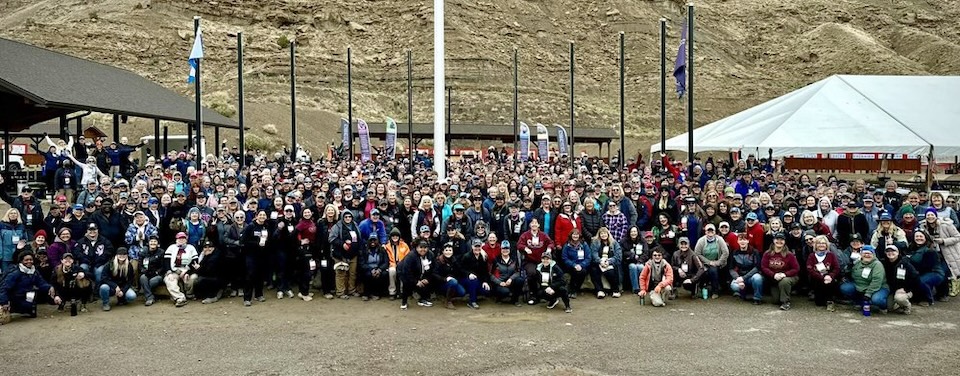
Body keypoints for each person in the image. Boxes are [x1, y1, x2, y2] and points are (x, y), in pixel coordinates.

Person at [0, 252, 62, 320]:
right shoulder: (15, 273)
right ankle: (11, 308)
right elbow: (4, 288)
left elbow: (41, 283)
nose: (29, 261)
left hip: (26, 295)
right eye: (26, 260)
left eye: (31, 259)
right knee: (24, 307)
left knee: (32, 309)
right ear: (21, 261)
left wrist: (50, 287)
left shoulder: (34, 271)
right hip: (14, 297)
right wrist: (4, 302)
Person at [840, 245, 889, 313]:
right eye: (864, 253)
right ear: (861, 254)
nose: (867, 255)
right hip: (861, 286)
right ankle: (859, 302)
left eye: (869, 253)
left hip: (878, 287)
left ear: (873, 254)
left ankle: (883, 307)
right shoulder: (857, 263)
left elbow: (876, 281)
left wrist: (868, 294)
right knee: (845, 288)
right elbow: (853, 276)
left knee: (877, 299)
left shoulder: (877, 264)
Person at [761, 232, 800, 310]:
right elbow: (763, 267)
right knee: (775, 301)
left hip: (788, 277)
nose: (779, 241)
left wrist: (784, 274)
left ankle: (786, 302)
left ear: (784, 241)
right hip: (774, 279)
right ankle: (783, 294)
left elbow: (796, 268)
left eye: (781, 240)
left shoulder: (789, 254)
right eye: (777, 239)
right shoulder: (767, 253)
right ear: (773, 240)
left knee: (784, 281)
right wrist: (773, 275)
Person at [904, 231, 944, 306]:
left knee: (922, 281)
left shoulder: (930, 251)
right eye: (917, 236)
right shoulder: (911, 249)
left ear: (926, 238)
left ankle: (928, 299)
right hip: (919, 272)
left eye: (921, 236)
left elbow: (928, 266)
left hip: (934, 273)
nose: (919, 238)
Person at [329, 210, 361, 299]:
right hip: (340, 254)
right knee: (341, 273)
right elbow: (331, 238)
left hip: (353, 254)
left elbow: (359, 238)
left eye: (349, 217)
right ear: (342, 217)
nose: (348, 218)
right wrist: (342, 243)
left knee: (352, 273)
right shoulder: (337, 226)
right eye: (346, 217)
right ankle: (340, 292)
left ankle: (351, 290)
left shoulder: (355, 225)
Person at [805, 235, 841, 311]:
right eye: (819, 243)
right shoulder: (812, 256)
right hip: (817, 280)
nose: (821, 245)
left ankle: (830, 301)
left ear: (826, 245)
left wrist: (830, 276)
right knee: (819, 303)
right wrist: (822, 277)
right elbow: (810, 269)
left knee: (829, 283)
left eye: (823, 243)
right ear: (815, 245)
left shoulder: (831, 255)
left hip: (829, 279)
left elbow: (836, 268)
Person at [694, 223, 729, 298]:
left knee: (713, 270)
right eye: (708, 231)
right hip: (704, 263)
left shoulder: (720, 239)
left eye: (712, 230)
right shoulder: (701, 240)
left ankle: (715, 291)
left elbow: (725, 252)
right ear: (705, 232)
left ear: (715, 232)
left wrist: (717, 263)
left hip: (718, 262)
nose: (710, 232)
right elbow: (697, 253)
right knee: (703, 271)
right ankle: (700, 289)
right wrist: (708, 262)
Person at [163, 232, 197, 307]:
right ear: (176, 240)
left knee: (193, 278)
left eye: (183, 238)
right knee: (169, 280)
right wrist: (169, 273)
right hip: (174, 270)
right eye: (179, 238)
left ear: (186, 239)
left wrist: (187, 272)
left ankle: (189, 294)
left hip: (187, 270)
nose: (181, 240)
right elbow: (166, 261)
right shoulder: (171, 247)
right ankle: (180, 298)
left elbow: (195, 261)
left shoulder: (191, 248)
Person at [397, 239, 433, 310]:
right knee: (406, 283)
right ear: (416, 248)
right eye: (421, 247)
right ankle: (404, 302)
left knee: (428, 281)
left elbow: (433, 268)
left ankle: (423, 299)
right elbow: (406, 271)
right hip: (404, 273)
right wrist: (416, 281)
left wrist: (427, 278)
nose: (423, 249)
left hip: (420, 273)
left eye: (425, 247)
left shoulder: (430, 255)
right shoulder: (411, 256)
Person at [882, 244, 917, 314]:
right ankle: (898, 304)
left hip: (905, 289)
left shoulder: (905, 263)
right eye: (888, 251)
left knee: (900, 298)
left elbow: (915, 277)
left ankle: (906, 306)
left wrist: (905, 289)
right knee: (889, 307)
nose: (890, 253)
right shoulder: (883, 263)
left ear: (898, 252)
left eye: (893, 251)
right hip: (892, 289)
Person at [729, 233, 763, 304]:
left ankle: (757, 298)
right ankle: (743, 293)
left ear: (748, 241)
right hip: (740, 276)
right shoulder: (735, 252)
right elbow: (731, 268)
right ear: (737, 241)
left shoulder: (754, 251)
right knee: (734, 285)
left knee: (758, 278)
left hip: (752, 276)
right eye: (740, 240)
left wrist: (744, 278)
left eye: (744, 239)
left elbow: (757, 267)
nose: (742, 242)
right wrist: (737, 278)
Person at [590, 227, 622, 298]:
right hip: (599, 262)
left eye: (605, 233)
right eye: (601, 233)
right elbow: (594, 254)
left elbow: (618, 256)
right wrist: (600, 261)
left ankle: (615, 290)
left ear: (608, 234)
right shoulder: (595, 242)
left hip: (610, 262)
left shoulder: (614, 242)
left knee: (611, 272)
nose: (603, 235)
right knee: (594, 270)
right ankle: (599, 290)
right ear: (599, 234)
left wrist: (609, 262)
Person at [431, 242, 465, 309]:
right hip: (441, 283)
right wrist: (444, 279)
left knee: (462, 292)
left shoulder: (454, 260)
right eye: (446, 250)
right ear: (443, 251)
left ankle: (448, 296)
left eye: (450, 250)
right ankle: (448, 301)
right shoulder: (438, 260)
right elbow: (434, 274)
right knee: (453, 282)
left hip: (452, 282)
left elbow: (460, 270)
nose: (448, 252)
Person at [460, 239, 491, 309]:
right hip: (466, 279)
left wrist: (485, 281)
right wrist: (468, 274)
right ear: (472, 247)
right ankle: (472, 301)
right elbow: (461, 269)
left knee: (486, 290)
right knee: (473, 281)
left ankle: (473, 294)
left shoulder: (483, 257)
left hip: (478, 280)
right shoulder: (466, 256)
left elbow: (485, 271)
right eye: (475, 246)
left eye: (479, 246)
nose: (477, 248)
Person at [490, 240, 523, 306]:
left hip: (510, 282)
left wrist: (511, 279)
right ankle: (499, 298)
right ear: (501, 249)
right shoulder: (496, 260)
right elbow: (491, 275)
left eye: (507, 248)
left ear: (509, 249)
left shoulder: (514, 259)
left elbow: (518, 272)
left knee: (520, 280)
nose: (505, 250)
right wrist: (499, 282)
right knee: (505, 292)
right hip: (500, 283)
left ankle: (515, 300)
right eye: (503, 248)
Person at [190, 239, 224, 304]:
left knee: (200, 280)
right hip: (210, 276)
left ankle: (213, 296)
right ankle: (203, 295)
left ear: (213, 248)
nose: (207, 249)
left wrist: (199, 268)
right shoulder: (206, 255)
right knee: (197, 278)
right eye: (205, 247)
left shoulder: (215, 256)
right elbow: (202, 266)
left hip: (218, 278)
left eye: (210, 247)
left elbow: (208, 271)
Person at [561, 229, 592, 298]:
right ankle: (573, 290)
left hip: (583, 265)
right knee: (575, 272)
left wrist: (581, 265)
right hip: (571, 265)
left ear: (579, 235)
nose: (575, 236)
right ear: (571, 235)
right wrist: (574, 265)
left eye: (577, 234)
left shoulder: (584, 244)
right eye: (574, 234)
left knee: (582, 272)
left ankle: (575, 289)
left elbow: (588, 257)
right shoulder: (567, 245)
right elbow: (565, 258)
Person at [358, 234, 389, 301]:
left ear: (377, 241)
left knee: (384, 274)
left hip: (379, 268)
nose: (373, 242)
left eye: (374, 240)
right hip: (368, 268)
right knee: (367, 275)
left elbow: (386, 262)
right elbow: (362, 263)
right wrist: (371, 269)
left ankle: (377, 293)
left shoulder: (382, 250)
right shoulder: (364, 250)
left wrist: (379, 269)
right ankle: (366, 293)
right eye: (371, 240)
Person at [138, 235, 166, 306]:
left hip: (157, 274)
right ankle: (150, 297)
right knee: (142, 278)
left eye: (155, 241)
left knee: (152, 282)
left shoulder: (161, 252)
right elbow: (140, 265)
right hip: (146, 273)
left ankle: (148, 294)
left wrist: (156, 272)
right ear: (148, 243)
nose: (153, 243)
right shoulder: (143, 252)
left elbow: (163, 266)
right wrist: (144, 270)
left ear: (157, 243)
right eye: (151, 241)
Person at [383, 227, 410, 299]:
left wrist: (402, 264)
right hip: (392, 264)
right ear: (390, 237)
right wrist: (393, 265)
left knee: (403, 271)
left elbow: (408, 257)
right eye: (393, 236)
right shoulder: (387, 246)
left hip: (402, 264)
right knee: (392, 271)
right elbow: (386, 258)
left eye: (397, 236)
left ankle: (402, 291)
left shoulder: (404, 245)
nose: (395, 237)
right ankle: (392, 292)